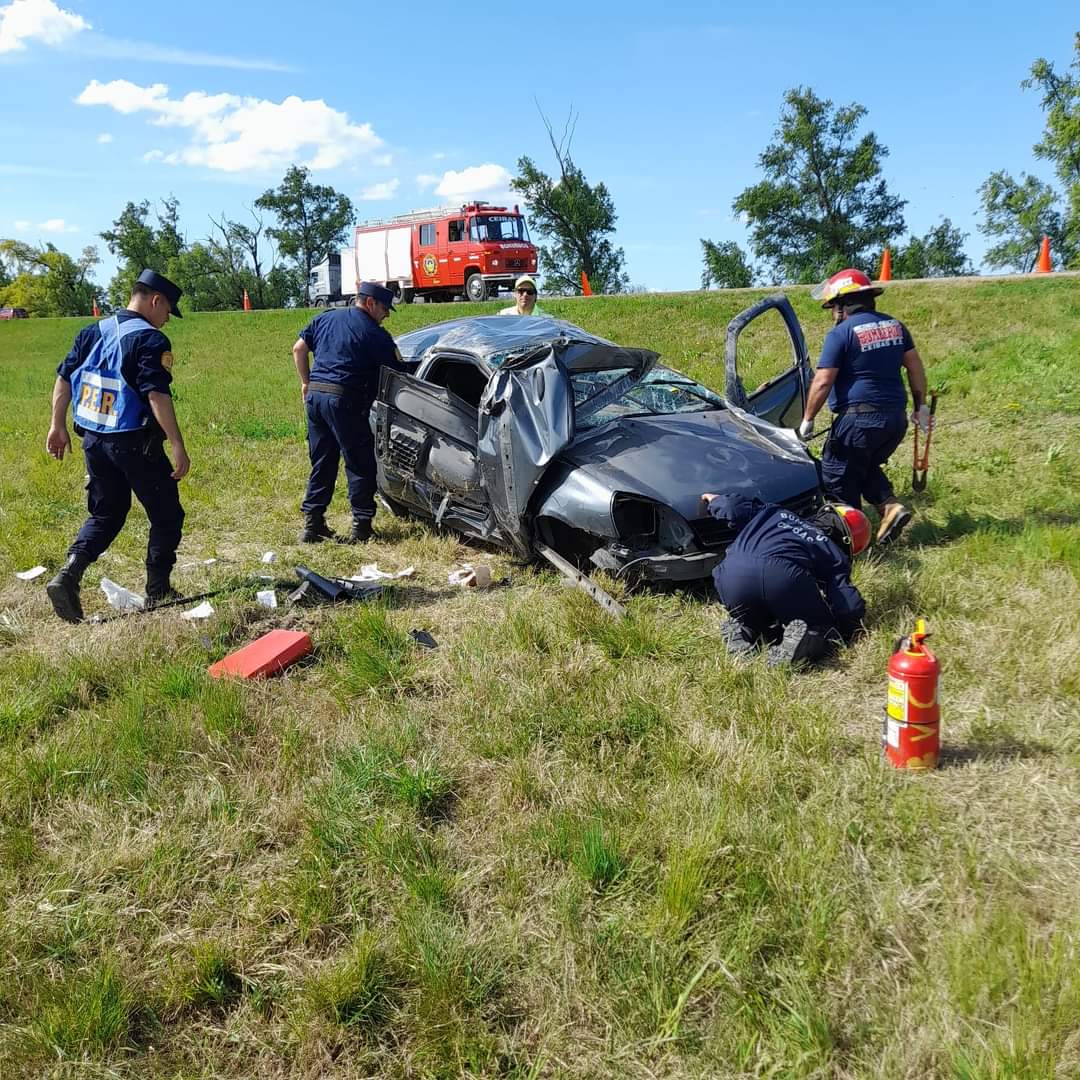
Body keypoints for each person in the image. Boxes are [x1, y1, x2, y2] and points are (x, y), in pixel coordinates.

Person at [44, 269, 189, 623]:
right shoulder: (150, 340)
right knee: (167, 515)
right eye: (168, 310)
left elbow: (64, 378)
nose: (167, 319)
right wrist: (177, 444)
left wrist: (56, 425)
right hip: (133, 443)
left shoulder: (93, 331)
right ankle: (158, 590)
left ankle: (69, 574)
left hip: (93, 441)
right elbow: (156, 393)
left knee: (106, 513)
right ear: (155, 301)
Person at [797, 268, 931, 547]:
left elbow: (823, 381)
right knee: (863, 465)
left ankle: (850, 543)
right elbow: (915, 368)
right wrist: (921, 408)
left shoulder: (841, 333)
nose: (833, 312)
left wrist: (807, 419)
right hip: (895, 420)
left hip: (859, 420)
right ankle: (889, 507)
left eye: (833, 306)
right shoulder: (896, 326)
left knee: (836, 475)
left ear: (844, 304)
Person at [293, 281, 408, 544]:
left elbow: (298, 348)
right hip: (345, 401)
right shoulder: (374, 334)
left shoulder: (326, 317)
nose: (387, 314)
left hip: (315, 398)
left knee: (322, 460)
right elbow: (399, 373)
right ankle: (361, 527)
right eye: (384, 308)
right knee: (359, 462)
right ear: (369, 303)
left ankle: (313, 525)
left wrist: (305, 382)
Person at [702, 493, 869, 667]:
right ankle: (799, 647)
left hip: (730, 577)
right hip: (782, 577)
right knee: (824, 630)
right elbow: (848, 605)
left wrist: (714, 501)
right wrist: (851, 629)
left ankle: (745, 631)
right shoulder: (833, 552)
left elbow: (733, 507)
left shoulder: (775, 512)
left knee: (761, 622)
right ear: (847, 543)